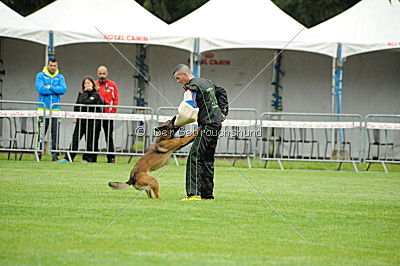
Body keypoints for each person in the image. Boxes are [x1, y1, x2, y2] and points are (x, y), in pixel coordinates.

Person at [172, 64, 228, 201]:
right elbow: (222, 91)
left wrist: (175, 124)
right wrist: (223, 111)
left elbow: (187, 110)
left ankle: (193, 194)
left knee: (194, 157)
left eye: (178, 78)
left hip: (207, 126)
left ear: (185, 75)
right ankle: (207, 194)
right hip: (216, 125)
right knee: (207, 159)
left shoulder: (191, 87)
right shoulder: (207, 82)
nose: (178, 82)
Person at [58, 76, 104, 163]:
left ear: (93, 84)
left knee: (90, 140)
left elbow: (89, 102)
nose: (87, 85)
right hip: (81, 120)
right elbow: (79, 103)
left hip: (92, 121)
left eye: (89, 83)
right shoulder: (81, 94)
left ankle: (89, 158)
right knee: (75, 139)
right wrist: (75, 116)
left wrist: (87, 94)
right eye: (85, 83)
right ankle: (68, 158)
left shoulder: (96, 94)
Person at [35, 58, 67, 161]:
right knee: (40, 133)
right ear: (48, 65)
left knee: (55, 134)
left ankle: (55, 156)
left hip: (56, 110)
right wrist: (55, 89)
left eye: (54, 66)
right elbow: (40, 89)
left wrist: (49, 86)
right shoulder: (40, 75)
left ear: (57, 66)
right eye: (51, 65)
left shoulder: (60, 77)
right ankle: (38, 154)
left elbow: (63, 90)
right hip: (43, 109)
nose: (53, 67)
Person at [96, 66, 119, 163]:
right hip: (96, 115)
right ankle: (93, 157)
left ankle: (111, 158)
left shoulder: (112, 85)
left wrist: (112, 113)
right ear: (97, 74)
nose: (102, 76)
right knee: (94, 136)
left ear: (107, 73)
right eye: (100, 74)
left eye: (103, 73)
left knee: (109, 137)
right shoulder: (95, 84)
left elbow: (116, 100)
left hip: (108, 115)